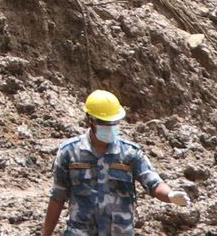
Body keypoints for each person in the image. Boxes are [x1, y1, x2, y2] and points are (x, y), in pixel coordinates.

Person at [42, 91, 193, 236]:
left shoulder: (130, 153)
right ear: (89, 120)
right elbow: (57, 197)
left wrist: (170, 195)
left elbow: (153, 183)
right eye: (104, 122)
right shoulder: (69, 152)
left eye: (114, 122)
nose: (110, 126)